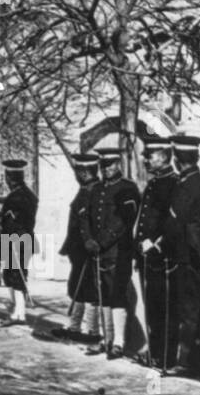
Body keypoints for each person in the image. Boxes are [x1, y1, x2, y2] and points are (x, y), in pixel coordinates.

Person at [166, 134, 200, 377]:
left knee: (187, 311)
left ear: (177, 160)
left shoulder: (184, 187)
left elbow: (177, 222)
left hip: (188, 255)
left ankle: (186, 361)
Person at [83, 146, 141, 361]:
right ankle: (106, 339)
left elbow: (125, 220)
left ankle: (118, 343)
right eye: (103, 165)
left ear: (119, 164)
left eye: (111, 165)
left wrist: (101, 241)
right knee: (102, 295)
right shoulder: (97, 189)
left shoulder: (128, 188)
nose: (107, 169)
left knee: (117, 295)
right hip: (98, 252)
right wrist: (88, 239)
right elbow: (86, 217)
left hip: (119, 252)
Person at [133, 136, 178, 369]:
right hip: (147, 254)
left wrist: (155, 244)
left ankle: (165, 355)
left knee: (163, 307)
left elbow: (172, 222)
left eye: (149, 156)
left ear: (163, 156)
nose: (145, 160)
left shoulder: (173, 183)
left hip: (162, 255)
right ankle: (156, 350)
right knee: (152, 306)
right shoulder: (154, 183)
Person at [52, 152, 102, 343]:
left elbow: (91, 222)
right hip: (78, 250)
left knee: (90, 289)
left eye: (78, 171)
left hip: (87, 248)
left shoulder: (94, 191)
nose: (76, 175)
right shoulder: (85, 189)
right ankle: (74, 326)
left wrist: (92, 242)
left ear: (84, 172)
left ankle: (93, 331)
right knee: (77, 287)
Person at [0, 159, 38, 327]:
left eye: (7, 177)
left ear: (11, 178)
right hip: (23, 239)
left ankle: (19, 314)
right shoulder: (28, 194)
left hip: (17, 240)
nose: (6, 181)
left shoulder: (17, 197)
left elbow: (16, 222)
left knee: (16, 275)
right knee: (14, 274)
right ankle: (18, 311)